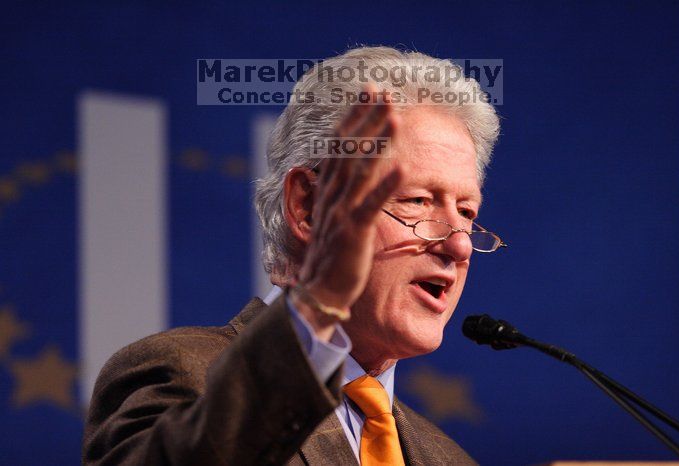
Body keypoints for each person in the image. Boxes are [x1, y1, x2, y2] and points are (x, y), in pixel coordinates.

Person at [82, 46, 503, 466]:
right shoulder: (183, 375)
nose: (459, 244)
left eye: (467, 213)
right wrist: (319, 308)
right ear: (308, 207)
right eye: (416, 200)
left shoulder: (450, 459)